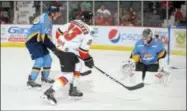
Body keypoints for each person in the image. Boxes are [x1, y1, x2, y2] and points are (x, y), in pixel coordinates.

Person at [41, 11, 94, 105]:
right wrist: (88, 59)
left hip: (58, 47)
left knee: (78, 65)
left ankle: (73, 89)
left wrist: (65, 44)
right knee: (68, 75)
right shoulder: (89, 31)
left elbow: (58, 32)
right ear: (90, 19)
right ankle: (49, 92)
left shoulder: (74, 22)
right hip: (66, 52)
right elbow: (83, 52)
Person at [25, 6, 60, 88]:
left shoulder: (46, 16)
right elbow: (45, 39)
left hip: (39, 40)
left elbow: (44, 38)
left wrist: (53, 47)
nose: (58, 15)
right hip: (32, 41)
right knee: (40, 61)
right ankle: (31, 80)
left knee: (48, 59)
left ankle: (45, 77)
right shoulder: (47, 21)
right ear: (52, 13)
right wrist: (54, 49)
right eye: (57, 13)